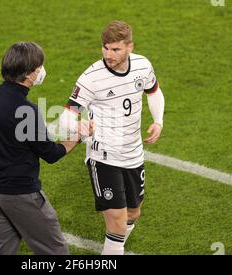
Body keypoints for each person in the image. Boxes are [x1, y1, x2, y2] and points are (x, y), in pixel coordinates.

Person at [0, 42, 90, 255]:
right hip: (20, 194)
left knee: (4, 251)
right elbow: (51, 154)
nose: (42, 71)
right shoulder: (26, 110)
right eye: (39, 67)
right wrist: (78, 137)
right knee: (56, 252)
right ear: (29, 74)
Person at [64, 21, 165, 255]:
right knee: (118, 222)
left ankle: (112, 248)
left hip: (133, 153)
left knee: (133, 213)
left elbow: (154, 92)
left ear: (130, 47)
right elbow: (68, 113)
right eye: (105, 48)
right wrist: (77, 123)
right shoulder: (92, 77)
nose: (108, 55)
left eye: (115, 49)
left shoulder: (142, 65)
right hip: (104, 155)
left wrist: (158, 120)